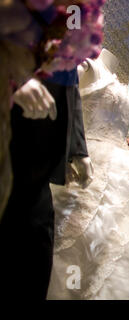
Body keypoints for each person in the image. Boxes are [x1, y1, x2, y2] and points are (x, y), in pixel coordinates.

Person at [46, 49, 129, 300]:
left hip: (125, 169)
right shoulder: (87, 67)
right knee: (87, 243)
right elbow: (62, 98)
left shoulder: (117, 78)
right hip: (89, 163)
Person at [0, 70, 93, 300]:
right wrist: (12, 79)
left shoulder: (71, 39)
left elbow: (71, 89)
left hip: (40, 164)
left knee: (34, 262)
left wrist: (78, 148)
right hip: (7, 137)